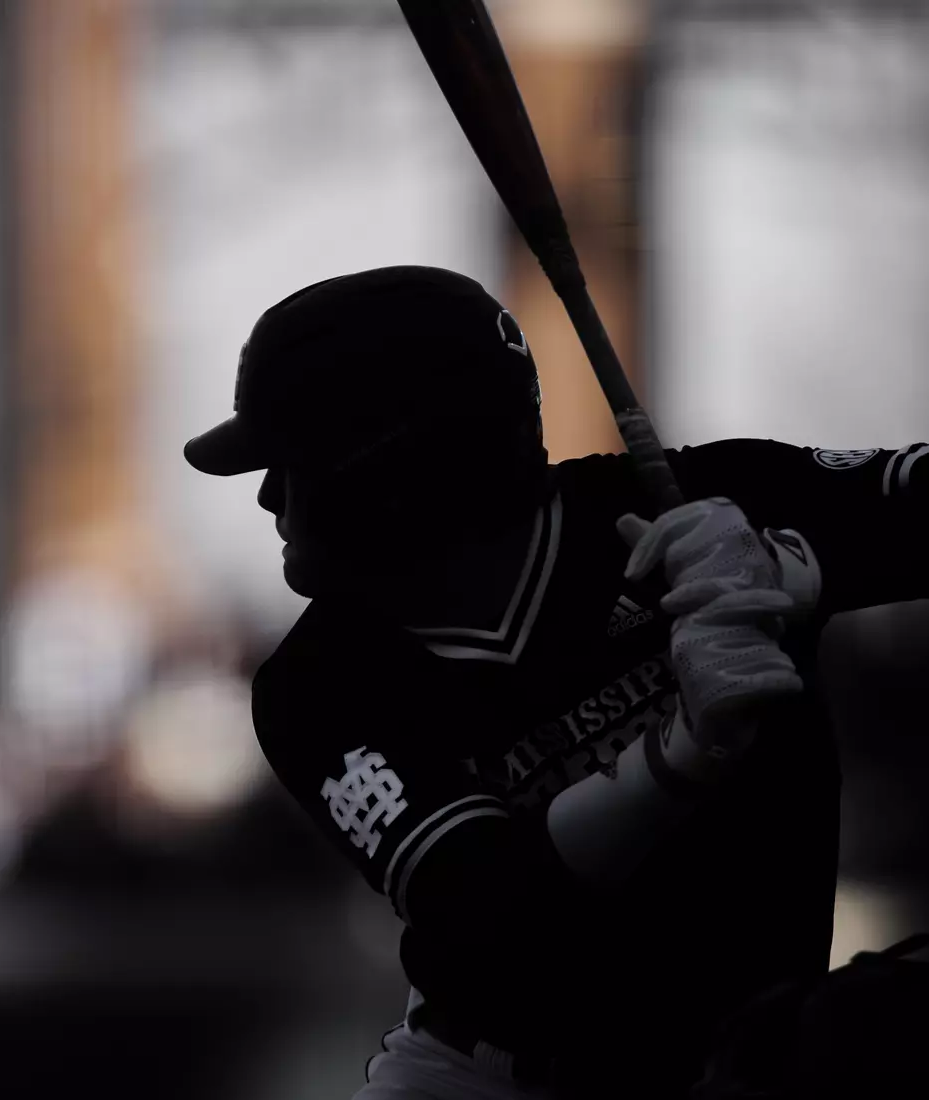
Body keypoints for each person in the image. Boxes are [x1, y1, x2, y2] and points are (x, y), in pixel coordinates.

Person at [182, 266, 928, 1099]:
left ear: (394, 472)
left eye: (292, 461)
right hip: (493, 1078)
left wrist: (800, 564)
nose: (268, 498)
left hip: (751, 1060)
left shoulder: (690, 506)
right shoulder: (316, 683)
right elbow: (497, 916)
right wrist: (682, 757)